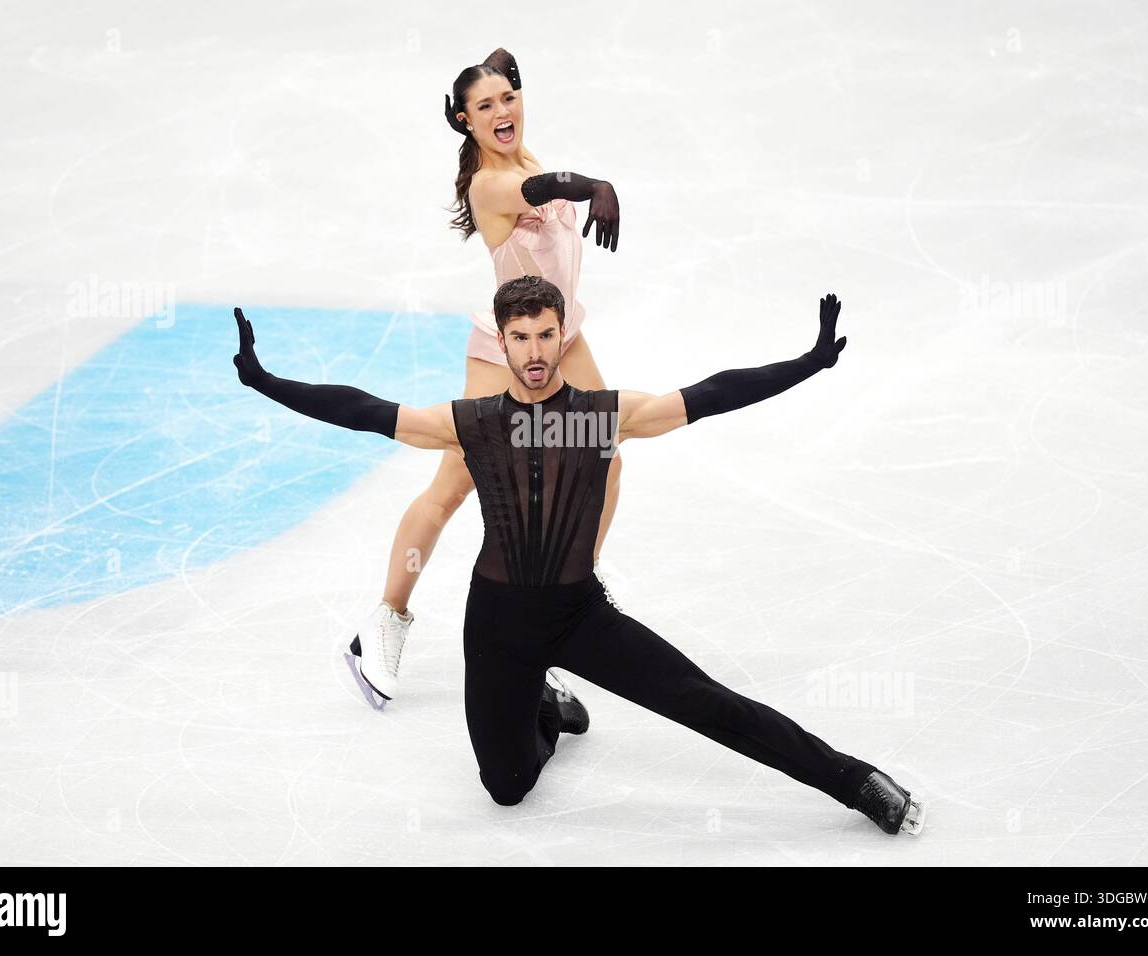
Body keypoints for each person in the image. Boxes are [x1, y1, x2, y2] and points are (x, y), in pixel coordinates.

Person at [231, 277, 925, 835]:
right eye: (520, 337)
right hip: (498, 626)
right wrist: (266, 381)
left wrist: (806, 363)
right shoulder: (469, 423)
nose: (534, 350)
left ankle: (854, 781)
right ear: (500, 343)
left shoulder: (603, 413)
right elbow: (361, 408)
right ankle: (549, 706)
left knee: (707, 704)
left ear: (563, 336)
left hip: (578, 617)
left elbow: (711, 395)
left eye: (545, 335)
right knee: (505, 790)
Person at [348, 47, 628, 707]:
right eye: (485, 106)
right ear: (464, 122)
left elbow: (537, 164)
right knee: (455, 485)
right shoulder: (491, 184)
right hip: (504, 352)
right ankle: (384, 619)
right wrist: (595, 187)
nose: (502, 112)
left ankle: (567, 597)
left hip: (561, 336)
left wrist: (498, 63)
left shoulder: (520, 154)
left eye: (507, 97)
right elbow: (546, 187)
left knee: (605, 456)